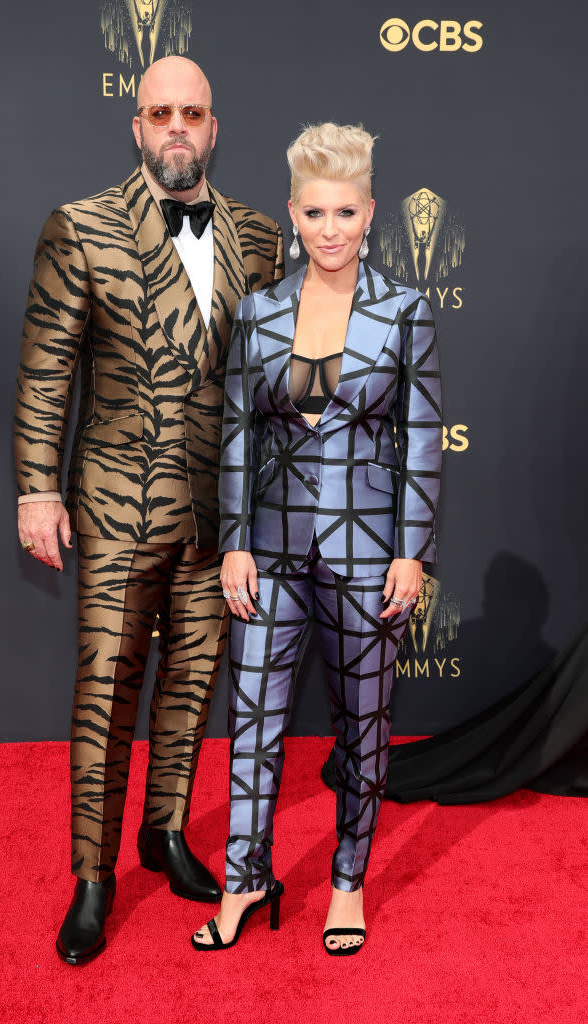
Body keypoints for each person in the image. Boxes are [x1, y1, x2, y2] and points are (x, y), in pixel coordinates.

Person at [14, 56, 283, 965]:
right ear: (135, 127)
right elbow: (49, 369)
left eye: (193, 113)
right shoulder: (81, 228)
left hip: (223, 511)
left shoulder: (255, 235)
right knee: (105, 697)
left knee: (192, 683)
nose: (177, 127)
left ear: (214, 129)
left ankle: (163, 833)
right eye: (159, 112)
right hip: (118, 503)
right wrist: (36, 487)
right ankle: (93, 879)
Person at [192, 122, 442, 956]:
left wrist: (410, 550)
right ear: (291, 215)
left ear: (370, 212)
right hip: (266, 550)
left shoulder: (405, 310)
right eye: (312, 213)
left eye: (344, 212)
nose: (329, 230)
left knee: (363, 724)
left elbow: (424, 437)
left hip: (370, 554)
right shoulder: (255, 312)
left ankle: (346, 881)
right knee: (254, 718)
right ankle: (244, 877)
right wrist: (233, 541)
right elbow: (236, 436)